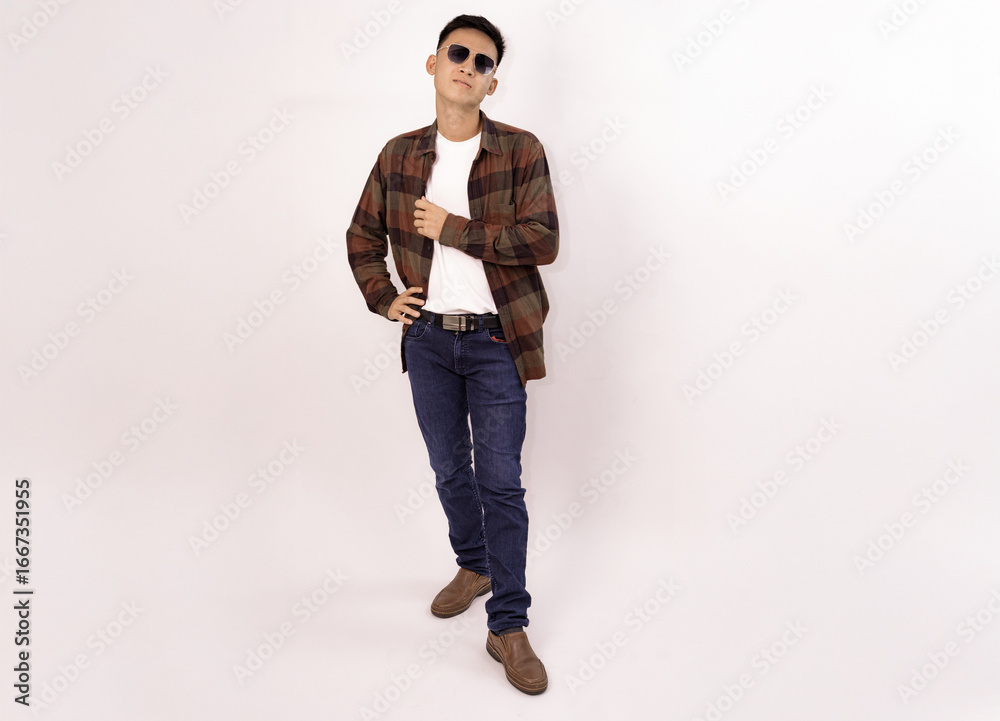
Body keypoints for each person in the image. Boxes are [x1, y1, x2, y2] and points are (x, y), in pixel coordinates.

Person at [345, 14, 559, 694]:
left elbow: (543, 239)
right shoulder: (399, 155)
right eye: (458, 52)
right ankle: (474, 563)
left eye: (483, 61)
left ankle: (508, 625)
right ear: (433, 63)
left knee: (501, 482)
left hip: (497, 339)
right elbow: (361, 235)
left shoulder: (520, 150)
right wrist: (385, 298)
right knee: (448, 469)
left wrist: (454, 229)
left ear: (493, 82)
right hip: (429, 340)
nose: (469, 65)